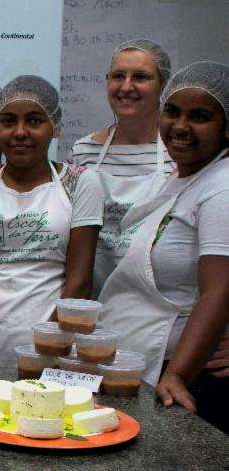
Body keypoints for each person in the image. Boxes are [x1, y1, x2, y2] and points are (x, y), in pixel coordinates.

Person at [99, 62, 229, 434]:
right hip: (148, 365)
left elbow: (218, 290)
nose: (181, 126)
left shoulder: (222, 187)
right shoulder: (179, 179)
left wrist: (178, 376)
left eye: (200, 116)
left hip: (189, 380)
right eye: (172, 112)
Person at [0, 75, 103, 367]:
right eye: (8, 121)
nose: (20, 132)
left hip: (55, 347)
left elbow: (80, 282)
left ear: (54, 126)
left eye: (34, 121)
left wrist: (43, 352)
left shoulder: (80, 182)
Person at [71, 39, 176, 296]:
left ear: (162, 84)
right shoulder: (84, 151)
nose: (126, 87)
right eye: (118, 76)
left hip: (157, 295)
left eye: (140, 77)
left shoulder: (178, 152)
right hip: (94, 296)